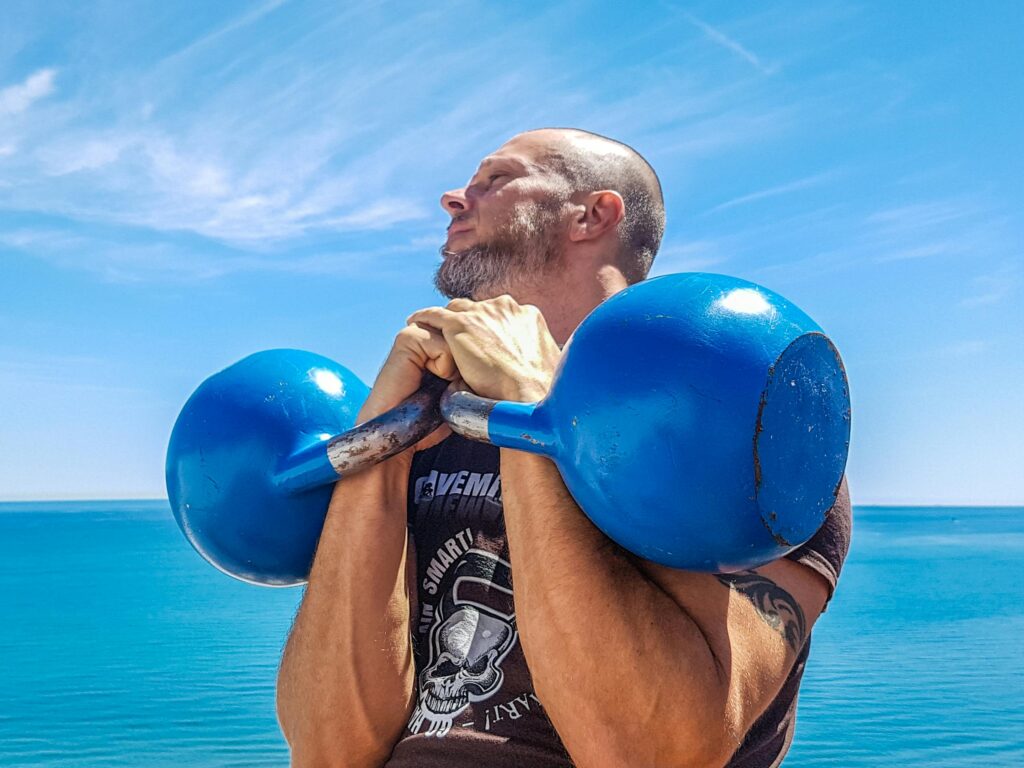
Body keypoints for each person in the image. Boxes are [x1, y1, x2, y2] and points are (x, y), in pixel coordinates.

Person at [275, 128, 852, 768]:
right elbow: (328, 751)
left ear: (592, 215)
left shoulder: (739, 424)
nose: (452, 198)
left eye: (495, 179)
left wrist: (528, 393)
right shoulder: (428, 420)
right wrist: (381, 443)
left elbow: (650, 754)